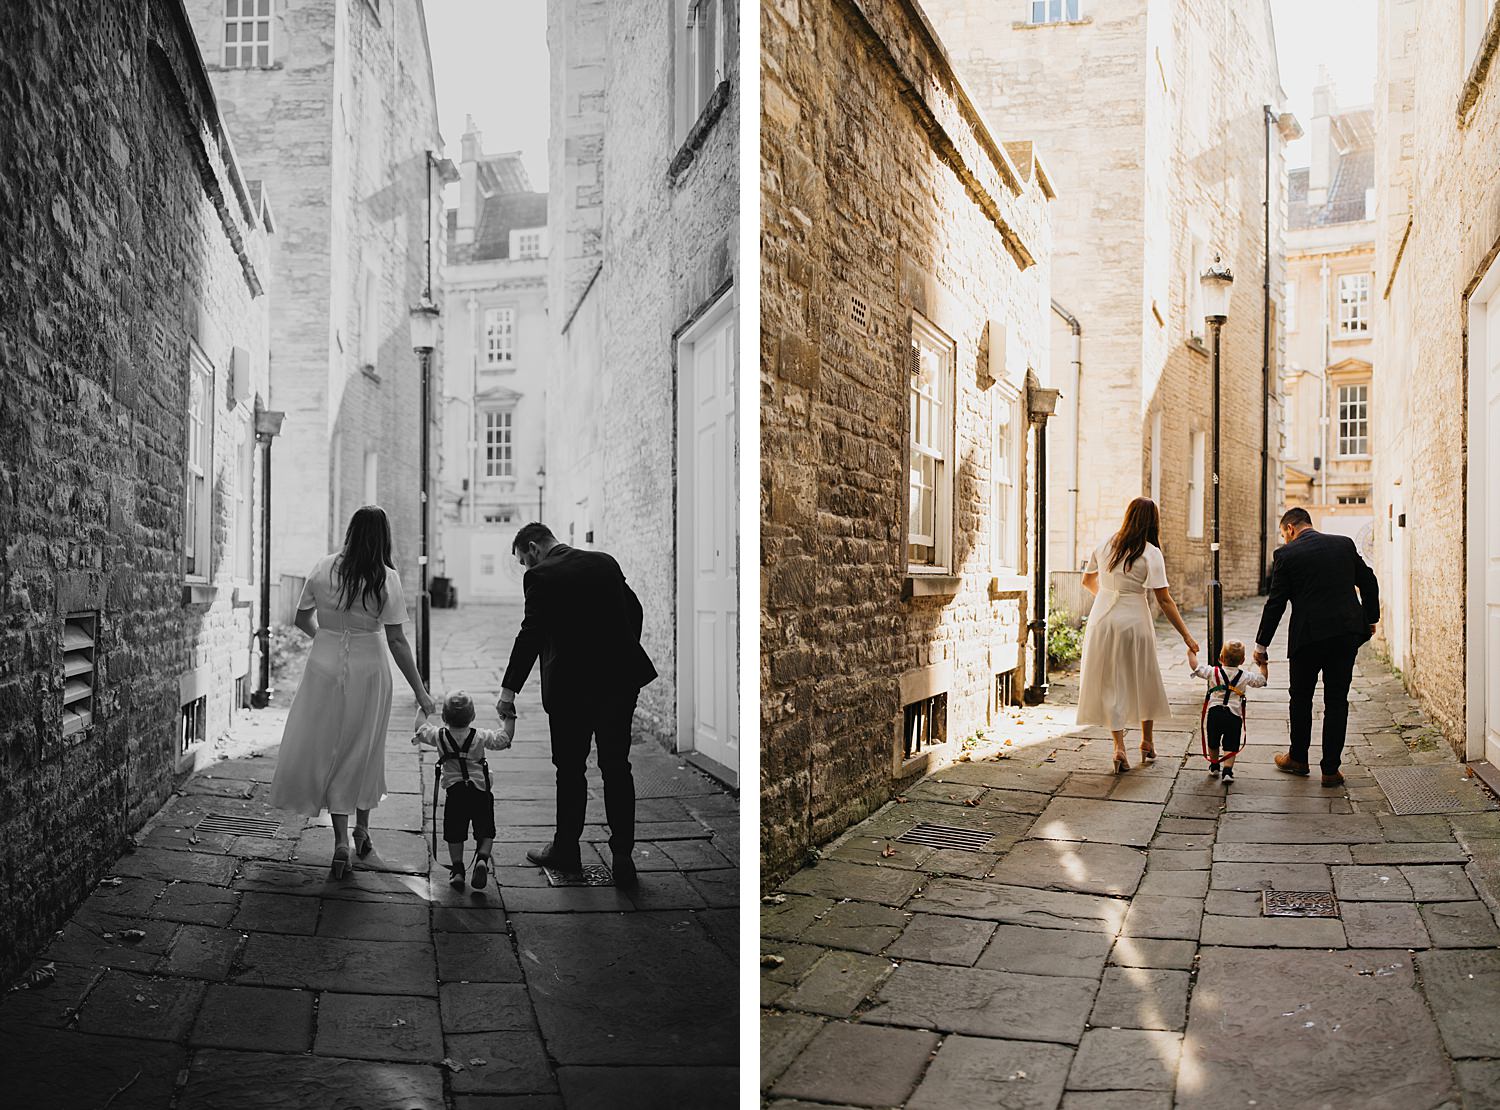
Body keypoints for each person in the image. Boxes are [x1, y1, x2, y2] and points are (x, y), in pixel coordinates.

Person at [269, 506, 435, 878]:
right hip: (370, 668)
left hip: (323, 667)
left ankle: (341, 840)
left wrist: (326, 641)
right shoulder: (386, 577)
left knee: (329, 745)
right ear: (383, 537)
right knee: (364, 747)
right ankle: (362, 829)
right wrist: (422, 693)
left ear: (350, 532)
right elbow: (396, 640)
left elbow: (300, 617)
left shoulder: (323, 566)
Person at [495, 523, 657, 888]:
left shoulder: (540, 576)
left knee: (570, 770)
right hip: (619, 681)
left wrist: (509, 691)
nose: (526, 567)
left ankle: (566, 849)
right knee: (617, 768)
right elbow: (635, 610)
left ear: (533, 548)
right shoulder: (605, 562)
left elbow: (531, 634)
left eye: (523, 561)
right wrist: (622, 649)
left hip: (571, 689)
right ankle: (623, 857)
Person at [1253, 507, 1380, 787]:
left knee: (1301, 698)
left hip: (1307, 638)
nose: (1285, 539)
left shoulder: (1286, 554)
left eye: (1283, 534)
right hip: (1344, 634)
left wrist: (1261, 646)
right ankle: (1331, 770)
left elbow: (1276, 604)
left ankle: (1298, 759)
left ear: (1290, 528)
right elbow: (1369, 581)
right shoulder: (1343, 544)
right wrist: (1370, 618)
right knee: (1337, 700)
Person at [1079, 497, 1200, 772]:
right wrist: (1187, 637)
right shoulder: (1150, 552)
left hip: (1102, 621)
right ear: (1152, 521)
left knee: (1112, 682)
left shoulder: (1104, 543)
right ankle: (1146, 741)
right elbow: (1165, 600)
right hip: (1134, 619)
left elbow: (1087, 581)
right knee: (1144, 677)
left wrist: (1108, 600)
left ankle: (1119, 747)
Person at [412, 691, 511, 891]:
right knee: (486, 829)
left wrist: (423, 708)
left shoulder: (440, 736)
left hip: (456, 794)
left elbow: (420, 729)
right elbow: (503, 738)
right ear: (472, 717)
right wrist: (509, 718)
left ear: (444, 718)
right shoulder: (480, 736)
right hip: (481, 791)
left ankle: (457, 870)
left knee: (454, 833)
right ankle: (482, 859)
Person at [1188, 640, 1267, 784]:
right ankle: (1228, 770)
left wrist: (1190, 653)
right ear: (1242, 660)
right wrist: (1263, 665)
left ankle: (1214, 765)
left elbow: (1196, 667)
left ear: (1221, 658)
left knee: (1213, 741)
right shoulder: (1245, 676)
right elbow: (1261, 680)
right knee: (1231, 744)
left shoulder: (1214, 672)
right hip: (1234, 715)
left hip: (1215, 713)